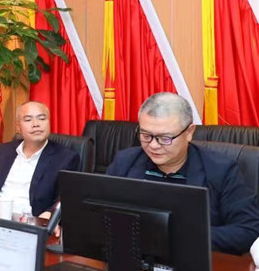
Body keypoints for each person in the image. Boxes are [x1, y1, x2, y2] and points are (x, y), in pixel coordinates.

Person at [106, 92, 259, 255]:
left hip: (194, 260)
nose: (153, 145)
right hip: (133, 258)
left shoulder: (220, 170)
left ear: (189, 132)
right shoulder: (125, 162)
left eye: (165, 138)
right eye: (146, 135)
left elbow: (248, 229)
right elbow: (100, 212)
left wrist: (181, 237)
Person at [0, 101, 79, 218]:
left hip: (29, 222)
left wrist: (49, 215)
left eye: (42, 118)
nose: (36, 124)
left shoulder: (65, 157)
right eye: (28, 119)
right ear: (18, 127)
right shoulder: (3, 151)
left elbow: (65, 199)